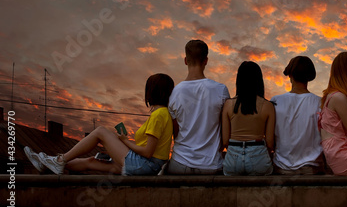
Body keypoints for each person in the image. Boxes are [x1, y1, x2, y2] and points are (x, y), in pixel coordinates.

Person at [24, 73, 175, 175]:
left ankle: (59, 160)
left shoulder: (159, 114)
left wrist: (125, 142)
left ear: (151, 91)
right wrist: (124, 142)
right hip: (144, 165)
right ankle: (48, 165)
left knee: (101, 131)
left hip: (145, 165)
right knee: (91, 161)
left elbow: (148, 152)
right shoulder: (161, 114)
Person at [166, 39, 230, 175]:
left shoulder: (174, 93)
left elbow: (175, 133)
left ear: (185, 60)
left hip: (180, 163)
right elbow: (226, 130)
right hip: (211, 165)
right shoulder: (221, 90)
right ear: (206, 60)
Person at [271, 56, 324, 175]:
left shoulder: (275, 101)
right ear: (309, 77)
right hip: (312, 168)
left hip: (281, 168)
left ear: (290, 75)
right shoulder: (320, 102)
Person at [222, 61, 275, 175]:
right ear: (259, 81)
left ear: (238, 80)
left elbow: (225, 141)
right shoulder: (268, 106)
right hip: (258, 158)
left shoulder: (228, 105)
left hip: (233, 160)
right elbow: (270, 143)